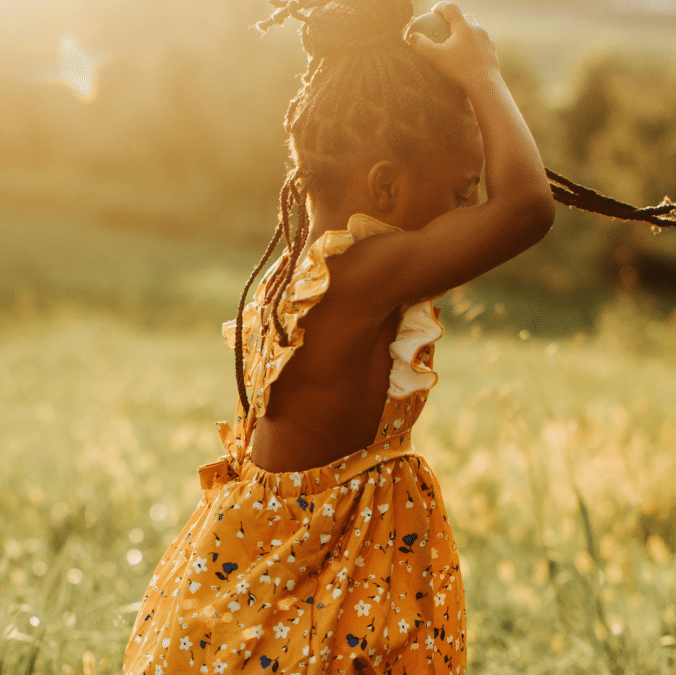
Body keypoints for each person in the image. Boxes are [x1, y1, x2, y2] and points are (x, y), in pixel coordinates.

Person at [123, 2, 545, 672]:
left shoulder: (299, 270)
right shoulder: (361, 273)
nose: (471, 212)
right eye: (464, 192)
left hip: (268, 564)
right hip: (318, 571)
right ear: (384, 185)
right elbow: (527, 207)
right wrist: (482, 75)